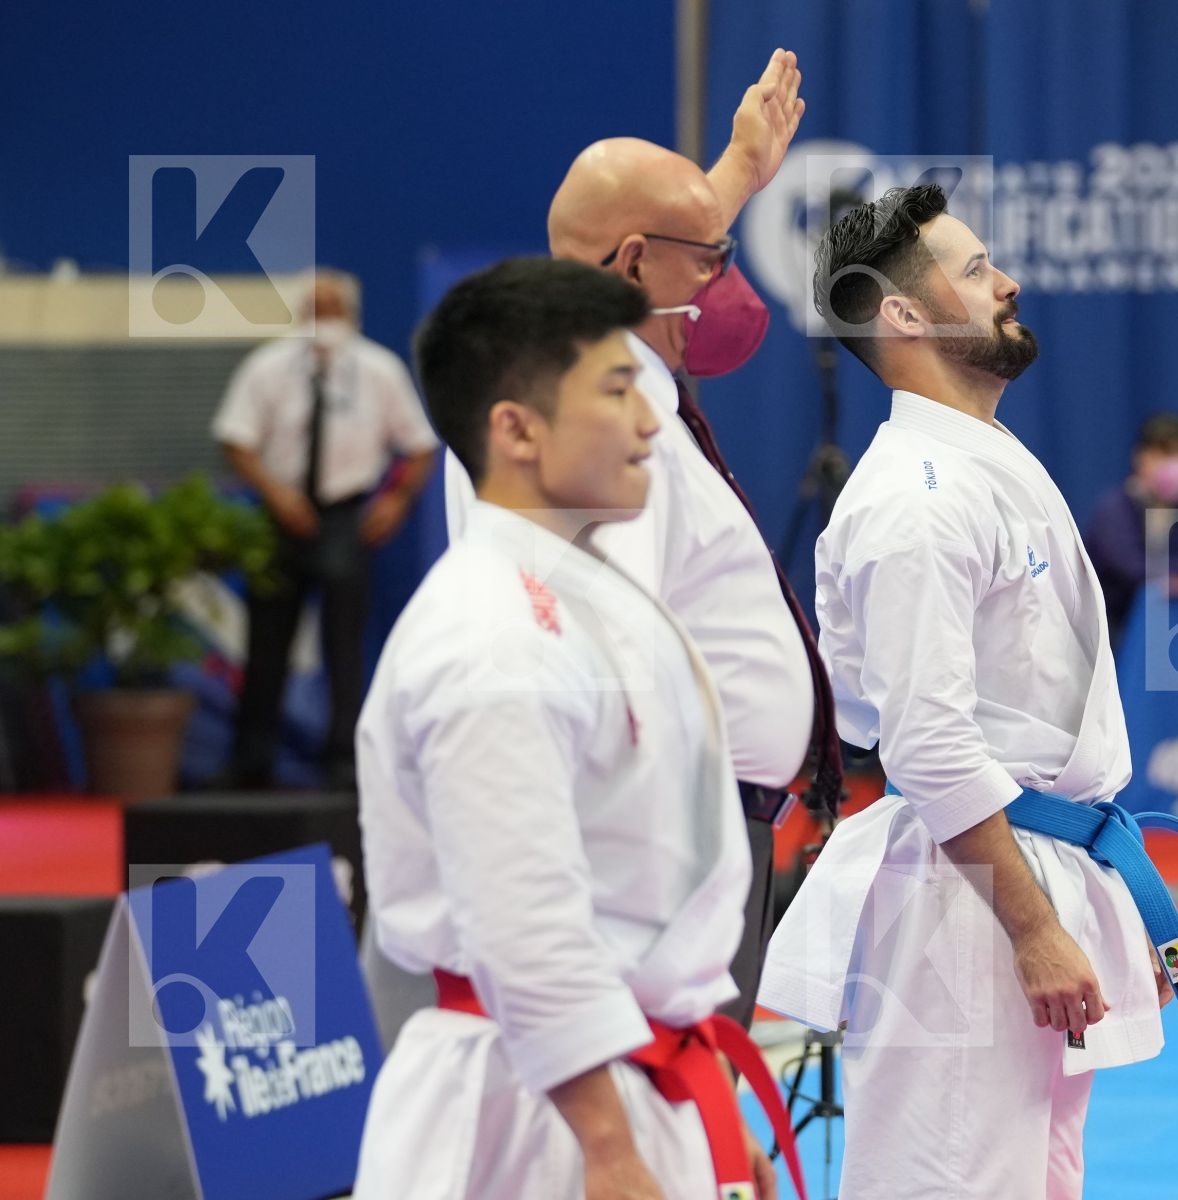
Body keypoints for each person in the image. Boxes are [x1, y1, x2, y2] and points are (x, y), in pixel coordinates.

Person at [758, 185, 1178, 1199]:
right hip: (969, 903)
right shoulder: (914, 499)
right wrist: (1032, 926)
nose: (1009, 282)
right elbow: (930, 746)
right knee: (950, 1180)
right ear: (904, 313)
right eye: (977, 267)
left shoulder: (983, 463)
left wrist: (1083, 902)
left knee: (1041, 1178)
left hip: (1027, 865)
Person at [354, 257, 799, 1200]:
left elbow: (647, 897)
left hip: (634, 1076)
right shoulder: (489, 636)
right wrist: (607, 1144)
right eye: (617, 390)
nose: (652, 421)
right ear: (516, 429)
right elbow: (523, 920)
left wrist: (704, 1113)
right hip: (537, 1107)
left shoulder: (591, 598)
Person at [439, 50, 842, 1029]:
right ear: (629, 267)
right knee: (649, 1094)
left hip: (689, 824)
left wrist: (738, 171)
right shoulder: (589, 409)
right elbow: (594, 653)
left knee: (680, 1098)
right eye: (711, 257)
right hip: (653, 839)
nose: (723, 279)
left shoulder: (596, 373)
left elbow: (651, 239)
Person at [211, 271, 439, 790]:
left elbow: (419, 444)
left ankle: (344, 759)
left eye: (332, 309)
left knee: (344, 642)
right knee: (266, 641)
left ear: (351, 314)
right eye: (314, 309)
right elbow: (235, 437)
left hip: (346, 514)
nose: (323, 320)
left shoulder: (379, 370)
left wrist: (397, 500)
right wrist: (275, 493)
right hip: (281, 512)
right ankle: (252, 760)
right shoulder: (267, 366)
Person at [1083, 412, 1178, 644]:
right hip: (1116, 635)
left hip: (1176, 631)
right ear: (1140, 457)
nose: (1174, 463)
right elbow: (1136, 570)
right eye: (1165, 453)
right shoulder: (1115, 509)